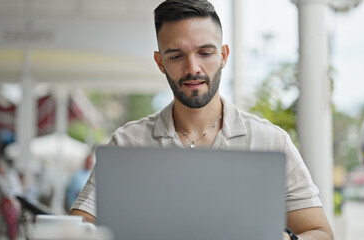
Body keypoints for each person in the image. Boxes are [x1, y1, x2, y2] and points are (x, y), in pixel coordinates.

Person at [71, 0, 334, 239]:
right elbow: (79, 226)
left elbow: (321, 232)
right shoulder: (127, 144)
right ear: (160, 62)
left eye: (205, 53)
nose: (193, 68)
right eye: (176, 55)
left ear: (223, 55)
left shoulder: (271, 141)